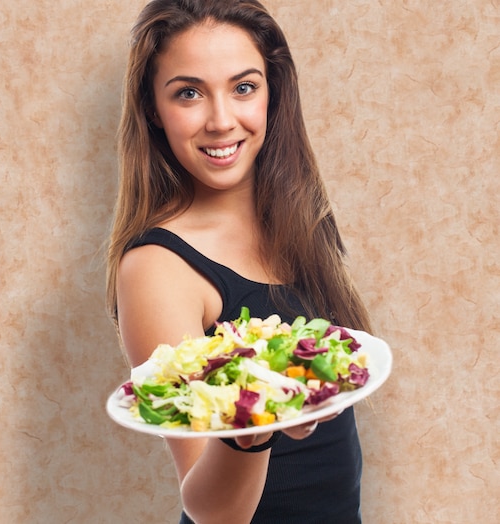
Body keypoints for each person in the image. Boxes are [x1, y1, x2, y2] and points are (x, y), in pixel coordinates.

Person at [106, 1, 373, 522]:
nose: (222, 120)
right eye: (189, 93)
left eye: (243, 87)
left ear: (273, 94)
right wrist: (253, 428)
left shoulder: (300, 222)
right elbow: (211, 511)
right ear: (153, 112)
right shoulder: (157, 267)